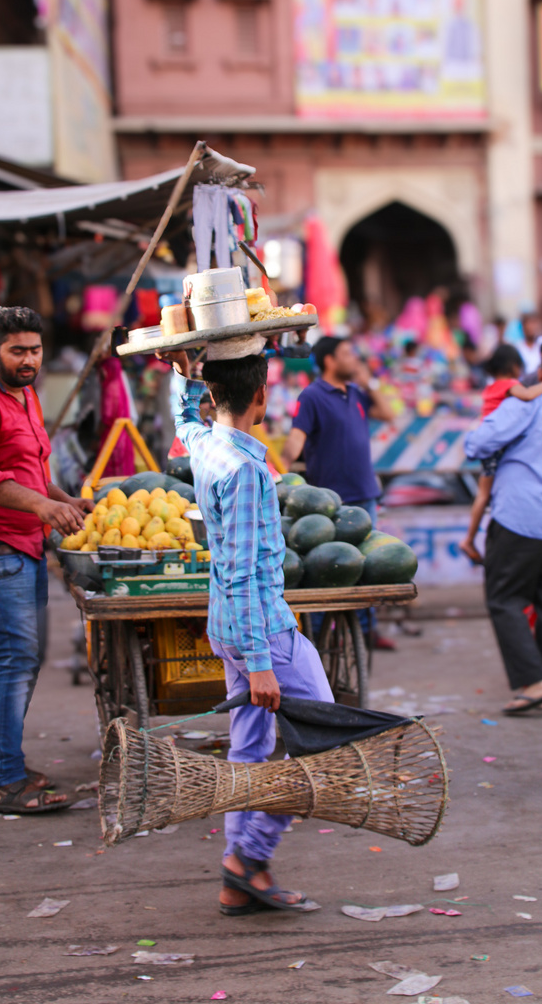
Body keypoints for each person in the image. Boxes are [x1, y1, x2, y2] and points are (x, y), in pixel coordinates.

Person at [164, 340, 334, 914]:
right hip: (263, 631)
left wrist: (183, 377)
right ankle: (248, 857)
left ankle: (240, 870)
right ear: (262, 394)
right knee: (327, 746)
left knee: (250, 751)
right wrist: (261, 662)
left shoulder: (209, 444)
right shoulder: (245, 470)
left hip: (228, 628)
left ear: (214, 395)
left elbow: (184, 422)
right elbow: (240, 571)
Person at [0, 306, 91, 814]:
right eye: (17, 351)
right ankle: (5, 782)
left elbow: (30, 469)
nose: (28, 360)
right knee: (14, 661)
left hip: (29, 544)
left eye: (34, 350)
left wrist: (65, 500)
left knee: (24, 662)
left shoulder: (25, 393)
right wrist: (42, 506)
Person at [464, 345, 542, 714]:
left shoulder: (531, 401)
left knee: (505, 598)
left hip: (520, 515)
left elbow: (477, 444)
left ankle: (535, 682)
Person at [281, 336, 394, 648]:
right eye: (346, 354)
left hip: (365, 493)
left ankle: (368, 631)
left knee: (367, 565)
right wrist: (280, 470)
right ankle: (320, 636)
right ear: (329, 360)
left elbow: (387, 413)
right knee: (326, 566)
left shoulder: (356, 392)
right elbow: (295, 440)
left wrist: (368, 382)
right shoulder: (312, 396)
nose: (353, 358)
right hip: (329, 503)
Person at [460, 344, 542, 565]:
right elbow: (526, 395)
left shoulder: (491, 387)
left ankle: (469, 538)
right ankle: (468, 539)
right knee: (485, 494)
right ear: (515, 366)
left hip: (489, 446)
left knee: (483, 494)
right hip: (495, 448)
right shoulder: (509, 385)